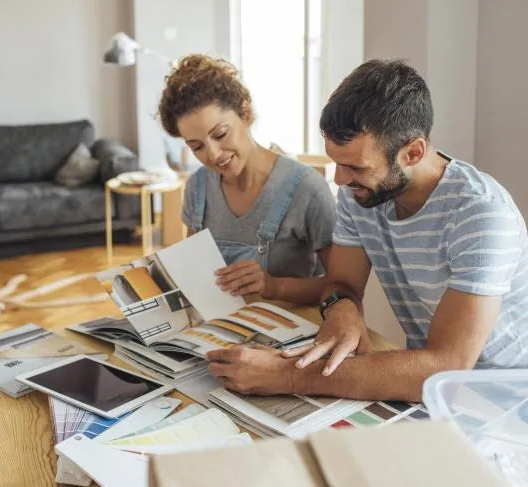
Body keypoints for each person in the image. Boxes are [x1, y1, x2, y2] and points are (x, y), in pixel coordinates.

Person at [206, 59, 528, 402]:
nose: (340, 180)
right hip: (428, 394)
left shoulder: (481, 216)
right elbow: (340, 284)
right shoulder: (362, 194)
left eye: (355, 167)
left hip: (506, 403)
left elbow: (447, 368)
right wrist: (341, 307)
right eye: (336, 163)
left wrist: (285, 375)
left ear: (413, 153)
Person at [158, 54, 336, 304]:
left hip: (289, 335)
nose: (213, 155)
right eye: (197, 147)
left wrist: (273, 286)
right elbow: (195, 275)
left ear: (245, 113)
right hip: (218, 334)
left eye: (220, 134)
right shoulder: (197, 188)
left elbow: (342, 288)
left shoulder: (307, 190)